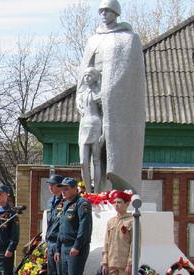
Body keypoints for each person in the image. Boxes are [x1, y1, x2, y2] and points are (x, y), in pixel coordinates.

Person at [76, 0, 146, 194]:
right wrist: (82, 93)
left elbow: (129, 77)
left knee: (105, 154)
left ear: (116, 12)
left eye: (108, 10)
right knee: (87, 159)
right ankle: (94, 192)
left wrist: (109, 93)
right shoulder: (93, 39)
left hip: (114, 105)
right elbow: (84, 73)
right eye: (101, 11)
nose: (104, 14)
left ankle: (118, 190)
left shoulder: (129, 38)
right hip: (93, 108)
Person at [54, 177, 92, 275]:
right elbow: (60, 229)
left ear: (75, 189)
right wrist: (57, 248)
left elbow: (84, 228)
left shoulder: (82, 204)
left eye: (67, 189)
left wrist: (77, 246)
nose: (63, 191)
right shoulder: (65, 205)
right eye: (62, 189)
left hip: (75, 247)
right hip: (64, 246)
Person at [77, 67, 105, 193]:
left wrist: (103, 133)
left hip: (95, 124)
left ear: (95, 77)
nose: (86, 78)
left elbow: (105, 114)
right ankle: (88, 191)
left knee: (95, 160)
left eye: (89, 76)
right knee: (83, 162)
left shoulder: (99, 93)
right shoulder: (81, 95)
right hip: (84, 125)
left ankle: (96, 191)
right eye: (85, 76)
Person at [44, 174, 67, 275]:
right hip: (50, 241)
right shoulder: (50, 202)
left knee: (60, 273)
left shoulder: (64, 202)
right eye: (49, 184)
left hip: (60, 242)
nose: (50, 187)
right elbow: (48, 223)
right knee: (52, 273)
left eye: (53, 185)